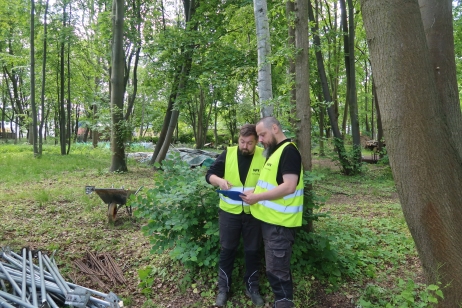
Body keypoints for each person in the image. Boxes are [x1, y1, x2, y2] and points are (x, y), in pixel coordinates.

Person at [241, 117, 303, 308]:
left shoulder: (288, 152)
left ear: (275, 128)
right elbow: (273, 184)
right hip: (271, 223)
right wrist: (255, 192)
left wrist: (257, 198)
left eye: (262, 134)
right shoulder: (275, 153)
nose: (260, 139)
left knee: (278, 273)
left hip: (280, 225)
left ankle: (284, 304)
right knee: (275, 270)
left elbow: (289, 186)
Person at [206, 124, 266, 307]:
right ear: (238, 139)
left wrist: (257, 191)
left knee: (253, 251)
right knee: (227, 250)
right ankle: (223, 289)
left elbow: (271, 183)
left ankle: (252, 288)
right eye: (242, 142)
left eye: (249, 143)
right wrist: (220, 181)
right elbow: (209, 175)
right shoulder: (229, 153)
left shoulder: (264, 156)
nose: (245, 146)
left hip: (254, 212)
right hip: (229, 213)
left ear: (257, 141)